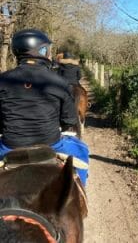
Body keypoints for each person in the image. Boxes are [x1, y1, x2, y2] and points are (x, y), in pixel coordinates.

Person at [0, 29, 89, 186]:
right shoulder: (59, 83)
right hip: (50, 143)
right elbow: (69, 119)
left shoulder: (3, 80)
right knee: (81, 149)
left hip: (10, 145)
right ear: (42, 50)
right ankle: (80, 194)